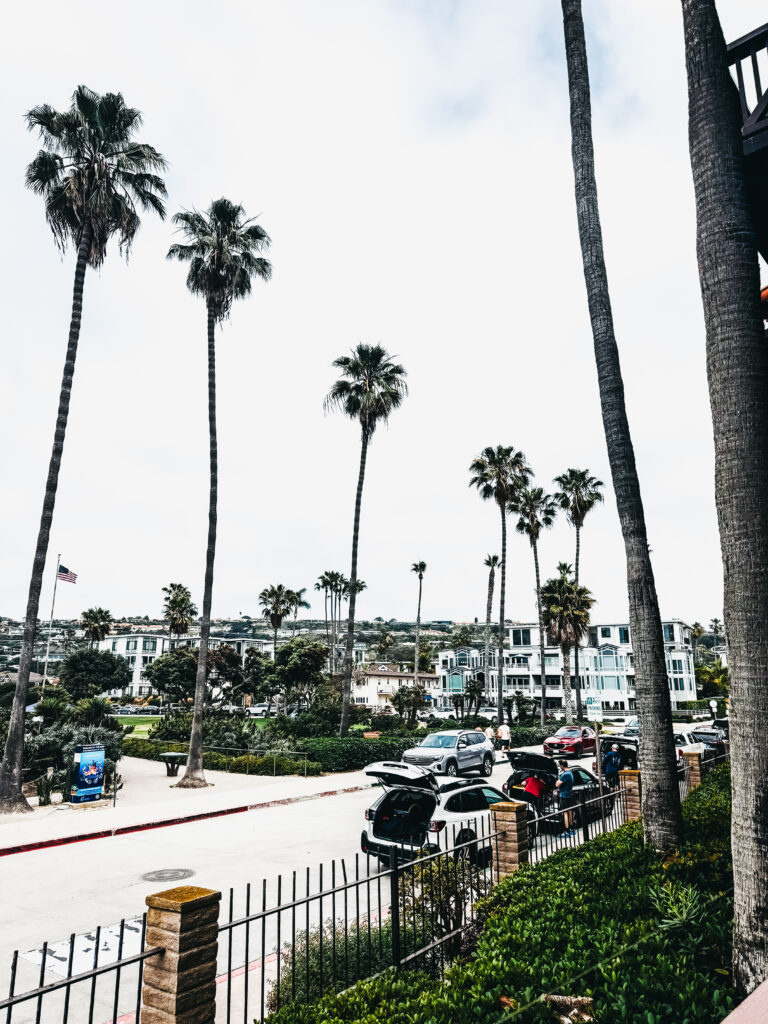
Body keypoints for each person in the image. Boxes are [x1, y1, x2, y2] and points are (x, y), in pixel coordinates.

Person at [555, 759, 575, 838]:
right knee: (570, 812)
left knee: (565, 813)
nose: (560, 767)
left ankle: (567, 831)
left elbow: (557, 784)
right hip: (569, 794)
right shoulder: (570, 772)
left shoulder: (565, 774)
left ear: (562, 766)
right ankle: (572, 829)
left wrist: (557, 780)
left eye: (560, 765)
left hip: (564, 796)